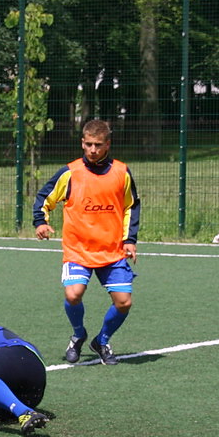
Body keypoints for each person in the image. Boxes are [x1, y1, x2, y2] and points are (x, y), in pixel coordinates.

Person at [32, 119, 141, 366]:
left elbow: (131, 206)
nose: (93, 150)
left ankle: (101, 340)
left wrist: (129, 240)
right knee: (73, 294)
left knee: (124, 302)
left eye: (98, 145)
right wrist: (41, 221)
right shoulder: (70, 172)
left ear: (108, 145)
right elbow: (44, 198)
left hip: (111, 250)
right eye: (88, 144)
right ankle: (78, 333)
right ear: (82, 143)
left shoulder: (121, 172)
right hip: (78, 249)